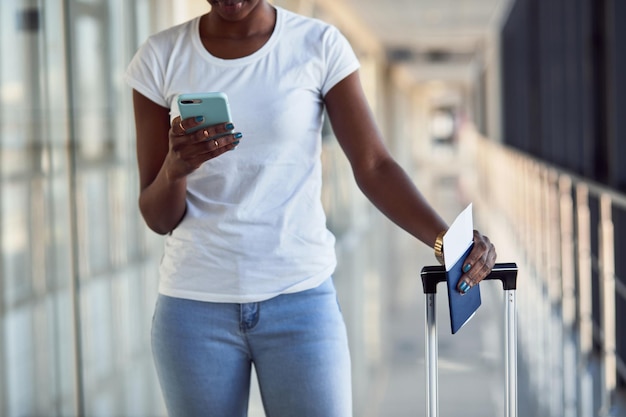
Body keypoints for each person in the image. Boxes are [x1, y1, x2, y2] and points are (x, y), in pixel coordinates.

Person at [125, 0, 497, 416]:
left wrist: (446, 240)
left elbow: (373, 165)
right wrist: (177, 169)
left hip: (301, 302)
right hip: (194, 309)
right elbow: (158, 218)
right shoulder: (160, 57)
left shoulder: (318, 44)